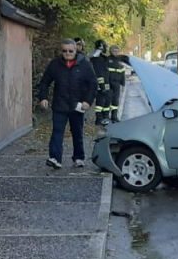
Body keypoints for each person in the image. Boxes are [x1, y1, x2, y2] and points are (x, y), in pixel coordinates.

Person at [36, 39, 97, 168]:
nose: (67, 53)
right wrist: (43, 98)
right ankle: (54, 158)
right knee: (57, 132)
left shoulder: (85, 64)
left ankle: (79, 157)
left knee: (77, 132)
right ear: (61, 51)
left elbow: (93, 84)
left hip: (77, 105)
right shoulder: (55, 64)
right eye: (64, 51)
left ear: (76, 50)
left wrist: (87, 101)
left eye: (70, 51)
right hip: (60, 104)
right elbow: (45, 82)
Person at [103, 44, 128, 123]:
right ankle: (106, 117)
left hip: (117, 84)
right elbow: (104, 72)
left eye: (117, 51)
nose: (115, 52)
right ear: (110, 51)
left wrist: (123, 84)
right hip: (109, 83)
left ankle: (114, 116)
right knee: (107, 100)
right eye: (114, 51)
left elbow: (122, 73)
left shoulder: (120, 60)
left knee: (115, 101)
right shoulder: (107, 59)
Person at [91, 42, 113, 126]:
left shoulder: (103, 58)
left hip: (106, 84)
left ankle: (105, 118)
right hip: (101, 85)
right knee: (100, 103)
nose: (106, 48)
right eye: (104, 47)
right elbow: (99, 73)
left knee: (107, 102)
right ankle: (99, 120)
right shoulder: (96, 59)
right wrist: (102, 86)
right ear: (100, 47)